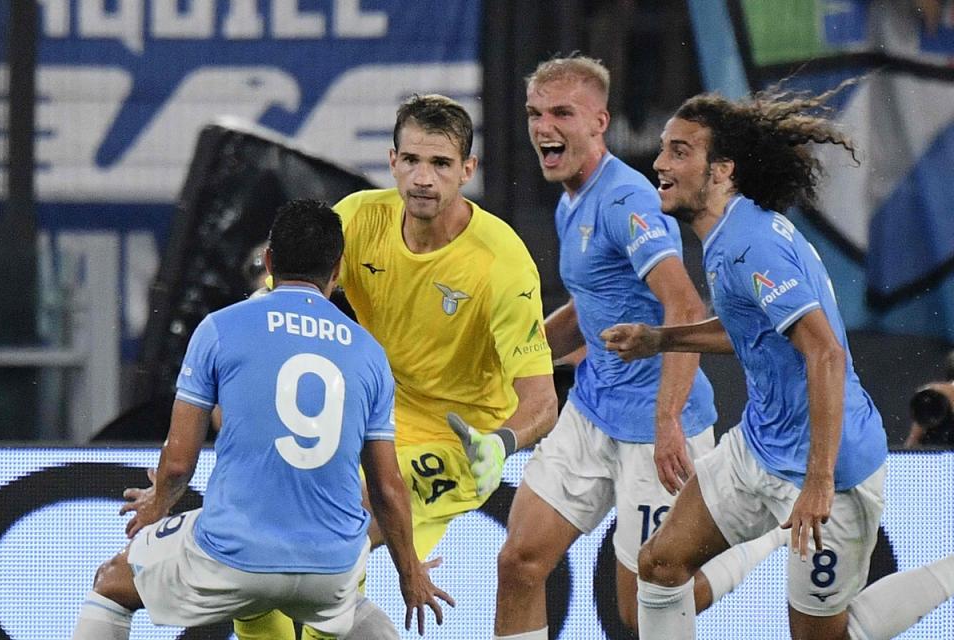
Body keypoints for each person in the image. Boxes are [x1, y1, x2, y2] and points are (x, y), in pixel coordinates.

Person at [602, 84, 954, 639]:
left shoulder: (751, 243)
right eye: (664, 148)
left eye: (679, 151)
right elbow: (752, 330)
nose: (660, 162)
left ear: (722, 170)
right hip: (760, 446)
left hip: (832, 470)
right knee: (660, 565)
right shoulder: (727, 234)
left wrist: (817, 482)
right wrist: (659, 339)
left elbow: (826, 352)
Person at [236, 94, 559, 639]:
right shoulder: (361, 218)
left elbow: (543, 402)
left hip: (461, 440)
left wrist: (500, 444)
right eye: (411, 161)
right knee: (272, 535)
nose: (423, 179)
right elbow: (282, 291)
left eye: (440, 164)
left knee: (344, 521)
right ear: (392, 162)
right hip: (375, 419)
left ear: (467, 170)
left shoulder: (501, 263)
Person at [491, 54, 785, 640]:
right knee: (519, 563)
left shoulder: (628, 201)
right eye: (534, 114)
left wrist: (668, 420)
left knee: (645, 605)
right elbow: (590, 306)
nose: (543, 127)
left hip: (655, 428)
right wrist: (512, 361)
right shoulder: (571, 196)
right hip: (593, 411)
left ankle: (754, 543)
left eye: (561, 113)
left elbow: (685, 307)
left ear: (599, 122)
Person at [70, 200, 452, 640]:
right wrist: (410, 575)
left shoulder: (219, 328)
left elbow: (177, 465)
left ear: (270, 261)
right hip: (330, 566)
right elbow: (387, 487)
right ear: (338, 270)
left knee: (111, 584)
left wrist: (158, 504)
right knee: (350, 610)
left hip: (234, 556)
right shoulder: (369, 353)